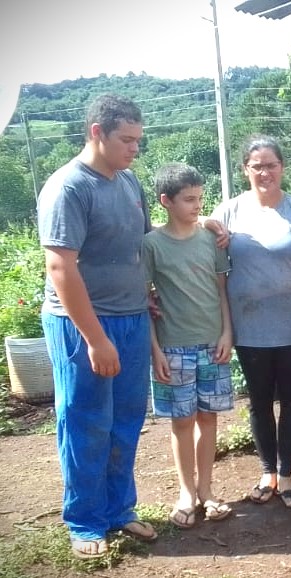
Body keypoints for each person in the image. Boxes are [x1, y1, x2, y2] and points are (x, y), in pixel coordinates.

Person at [37, 94, 158, 559]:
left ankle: (118, 509)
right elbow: (61, 268)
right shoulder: (68, 187)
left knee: (126, 421)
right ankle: (85, 521)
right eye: (126, 140)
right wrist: (95, 338)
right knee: (86, 421)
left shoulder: (128, 182)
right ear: (96, 133)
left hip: (130, 319)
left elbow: (139, 245)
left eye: (137, 141)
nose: (134, 149)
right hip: (82, 326)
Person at [209, 136, 291, 508]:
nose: (264, 172)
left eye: (271, 164)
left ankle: (287, 476)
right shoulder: (229, 212)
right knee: (259, 400)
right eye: (257, 165)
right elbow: (207, 256)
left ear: (282, 168)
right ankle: (266, 472)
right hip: (249, 324)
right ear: (246, 169)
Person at [143, 164, 234, 528]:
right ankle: (185, 492)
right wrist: (155, 350)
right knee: (182, 422)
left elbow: (221, 291)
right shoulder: (151, 244)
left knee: (208, 418)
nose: (197, 205)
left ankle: (207, 490)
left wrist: (228, 333)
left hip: (213, 344)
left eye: (200, 198)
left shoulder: (211, 239)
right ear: (166, 201)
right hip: (173, 347)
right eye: (189, 199)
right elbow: (143, 300)